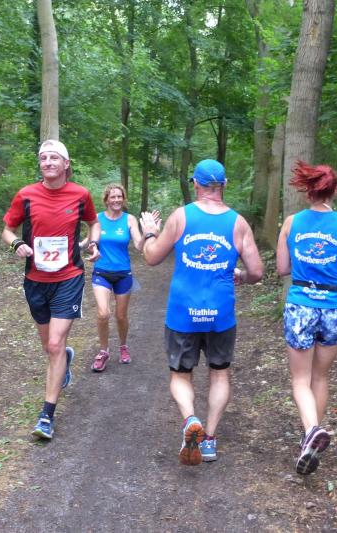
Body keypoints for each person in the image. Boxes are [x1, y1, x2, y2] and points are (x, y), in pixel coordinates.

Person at [140, 159, 264, 465]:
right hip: (220, 312)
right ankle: (208, 439)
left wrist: (150, 233)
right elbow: (257, 272)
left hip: (183, 312)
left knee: (181, 375)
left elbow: (152, 258)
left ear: (195, 184)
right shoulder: (238, 223)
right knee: (219, 373)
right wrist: (241, 275)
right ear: (224, 185)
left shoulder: (181, 217)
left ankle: (190, 420)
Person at [275, 160, 337, 475]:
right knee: (319, 377)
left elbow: (282, 269)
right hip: (334, 307)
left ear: (308, 191)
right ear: (335, 190)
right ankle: (311, 437)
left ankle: (311, 431)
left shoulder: (291, 223)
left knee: (300, 379)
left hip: (301, 304)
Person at [1, 139, 101, 440]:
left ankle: (46, 416)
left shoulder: (80, 194)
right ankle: (64, 360)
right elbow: (7, 230)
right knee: (49, 347)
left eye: (54, 158)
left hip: (68, 277)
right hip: (35, 280)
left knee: (56, 344)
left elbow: (93, 223)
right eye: (43, 158)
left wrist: (94, 243)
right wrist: (17, 244)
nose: (48, 162)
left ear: (66, 164)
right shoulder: (26, 195)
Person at [81, 184, 158, 372]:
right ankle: (103, 351)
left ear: (123, 199)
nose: (116, 200)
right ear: (106, 200)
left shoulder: (129, 219)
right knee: (103, 313)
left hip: (123, 273)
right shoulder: (97, 219)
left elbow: (139, 246)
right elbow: (88, 243)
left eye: (119, 197)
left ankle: (123, 346)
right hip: (101, 272)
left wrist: (149, 232)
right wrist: (76, 246)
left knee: (121, 316)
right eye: (112, 197)